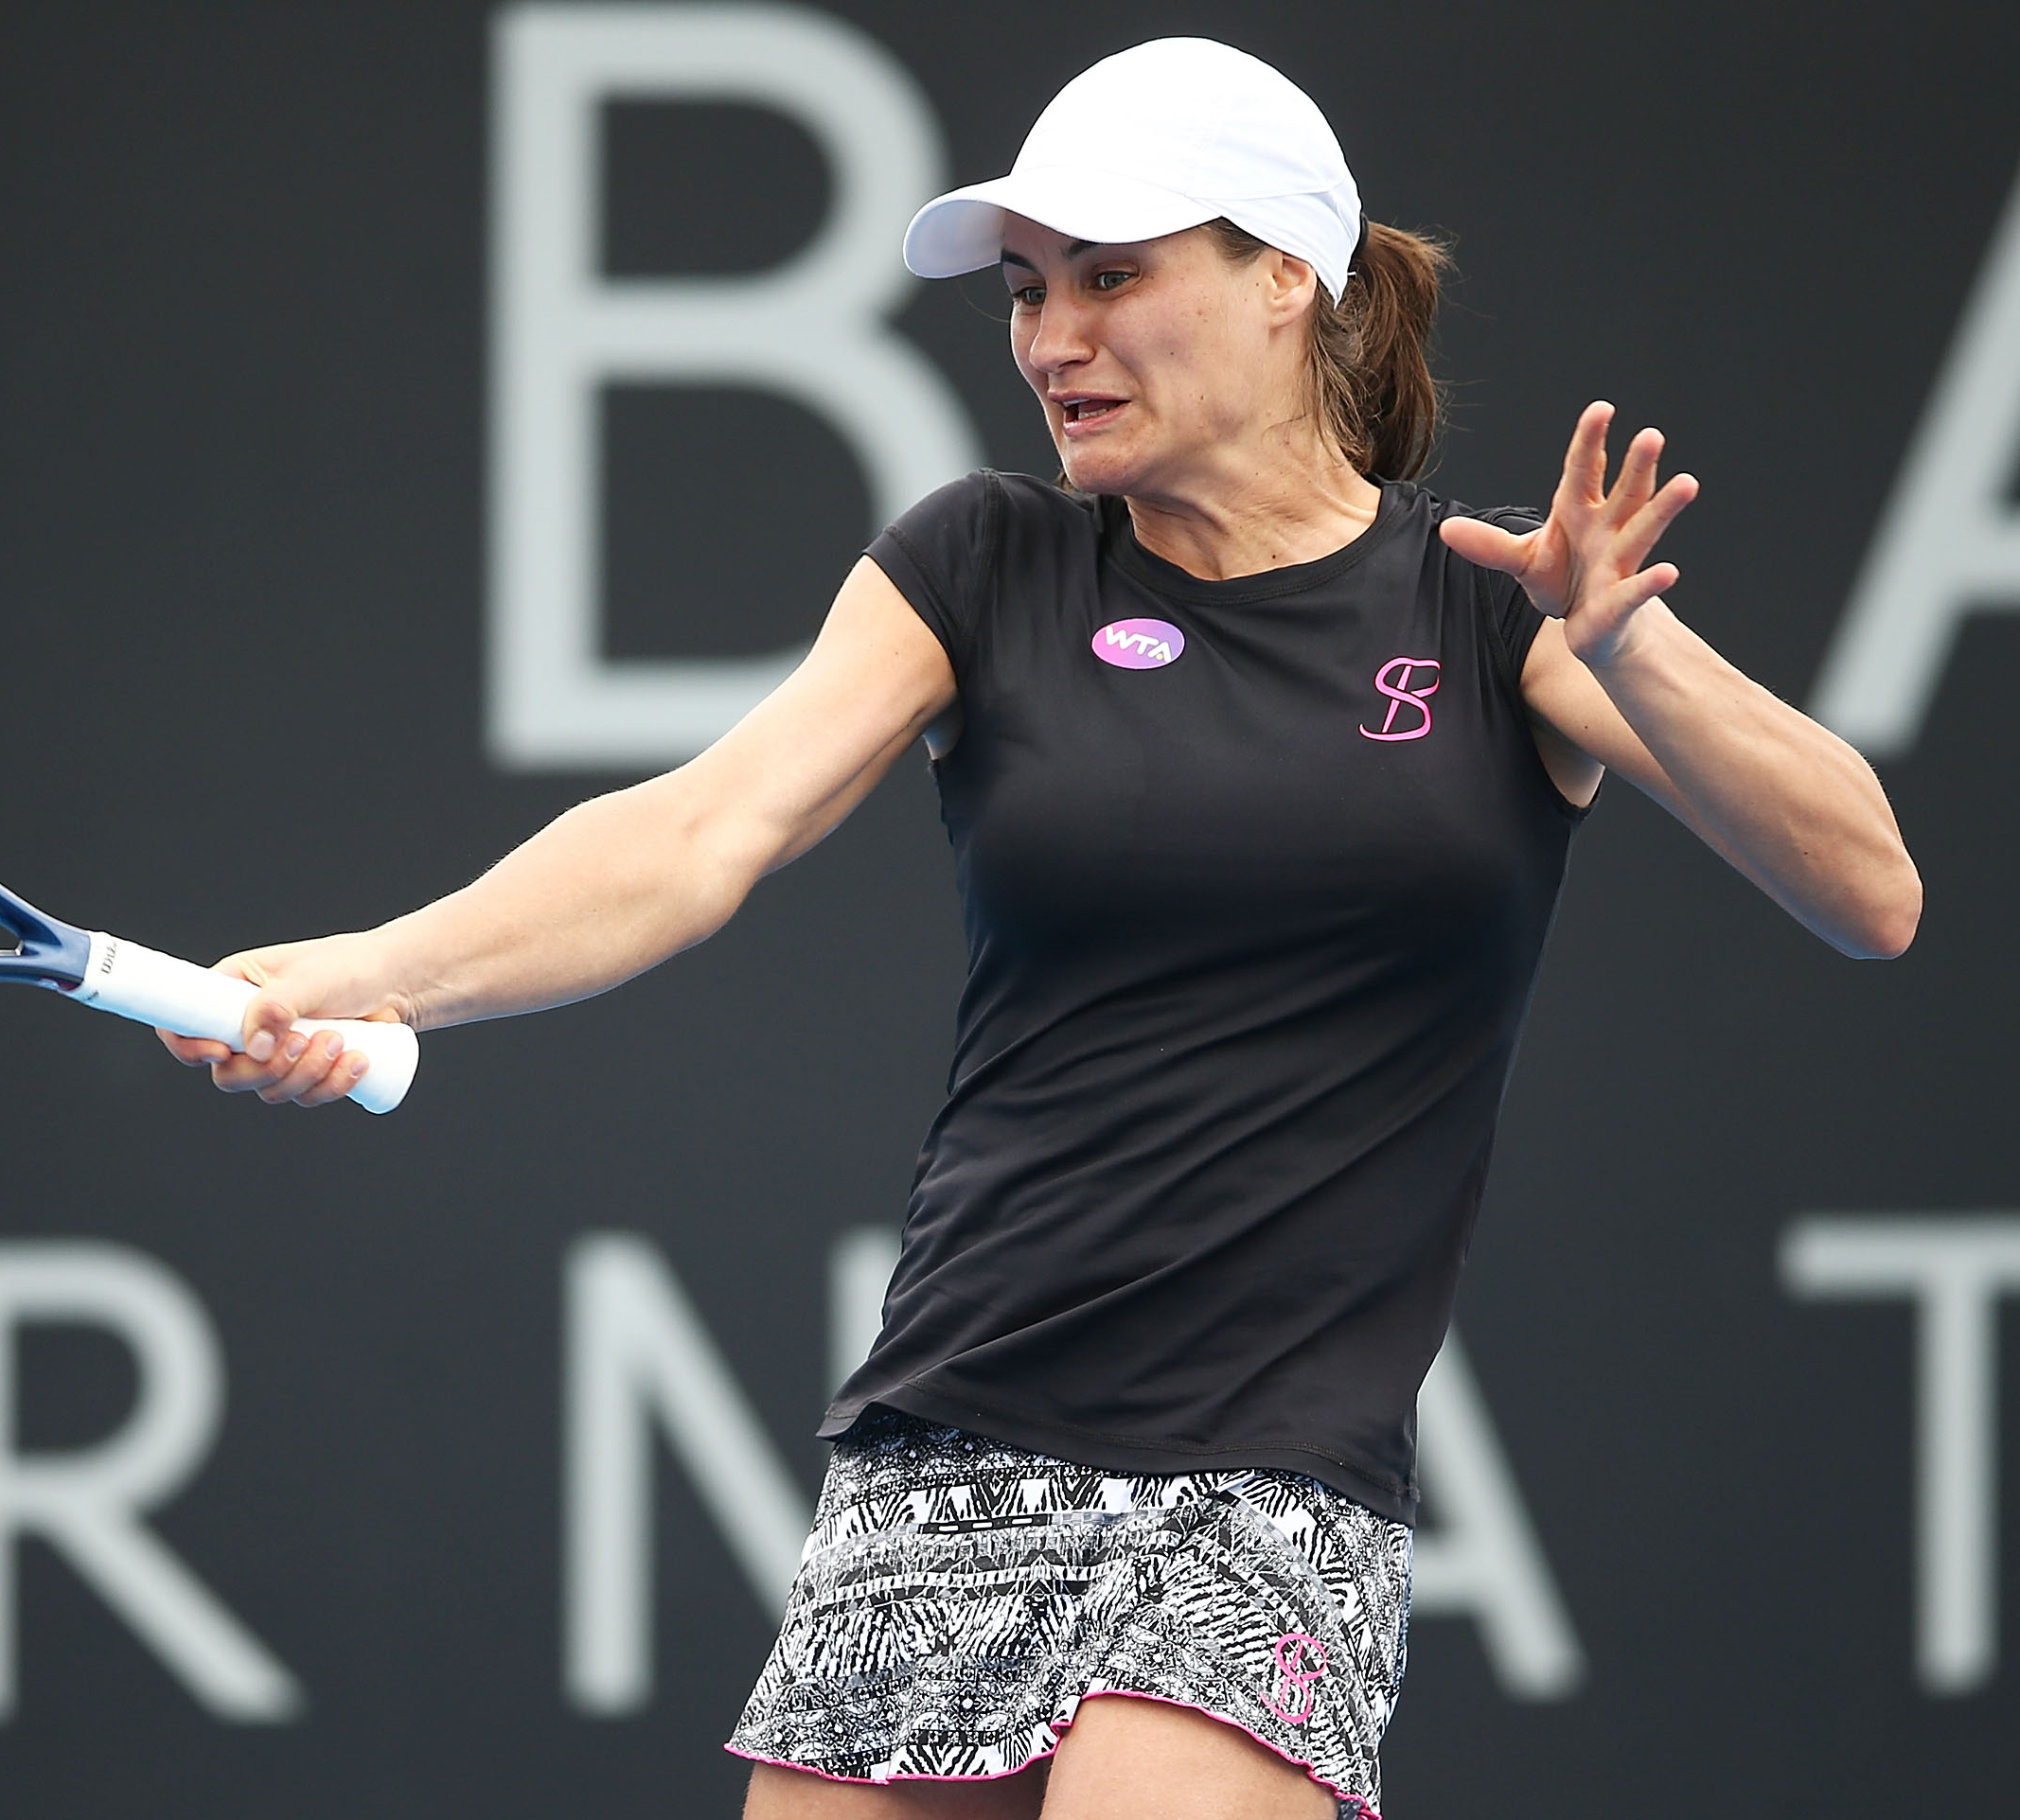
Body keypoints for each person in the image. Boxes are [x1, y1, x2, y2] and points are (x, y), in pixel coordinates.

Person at [158, 36, 1920, 1820]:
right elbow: (698, 831)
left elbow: (1872, 891)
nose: (1051, 338)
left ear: (1287, 275)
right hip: (951, 1435)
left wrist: (1635, 657)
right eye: (1024, 289)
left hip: (1270, 1472)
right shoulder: (983, 563)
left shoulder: (1492, 613)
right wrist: (358, 970)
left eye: (1112, 275)